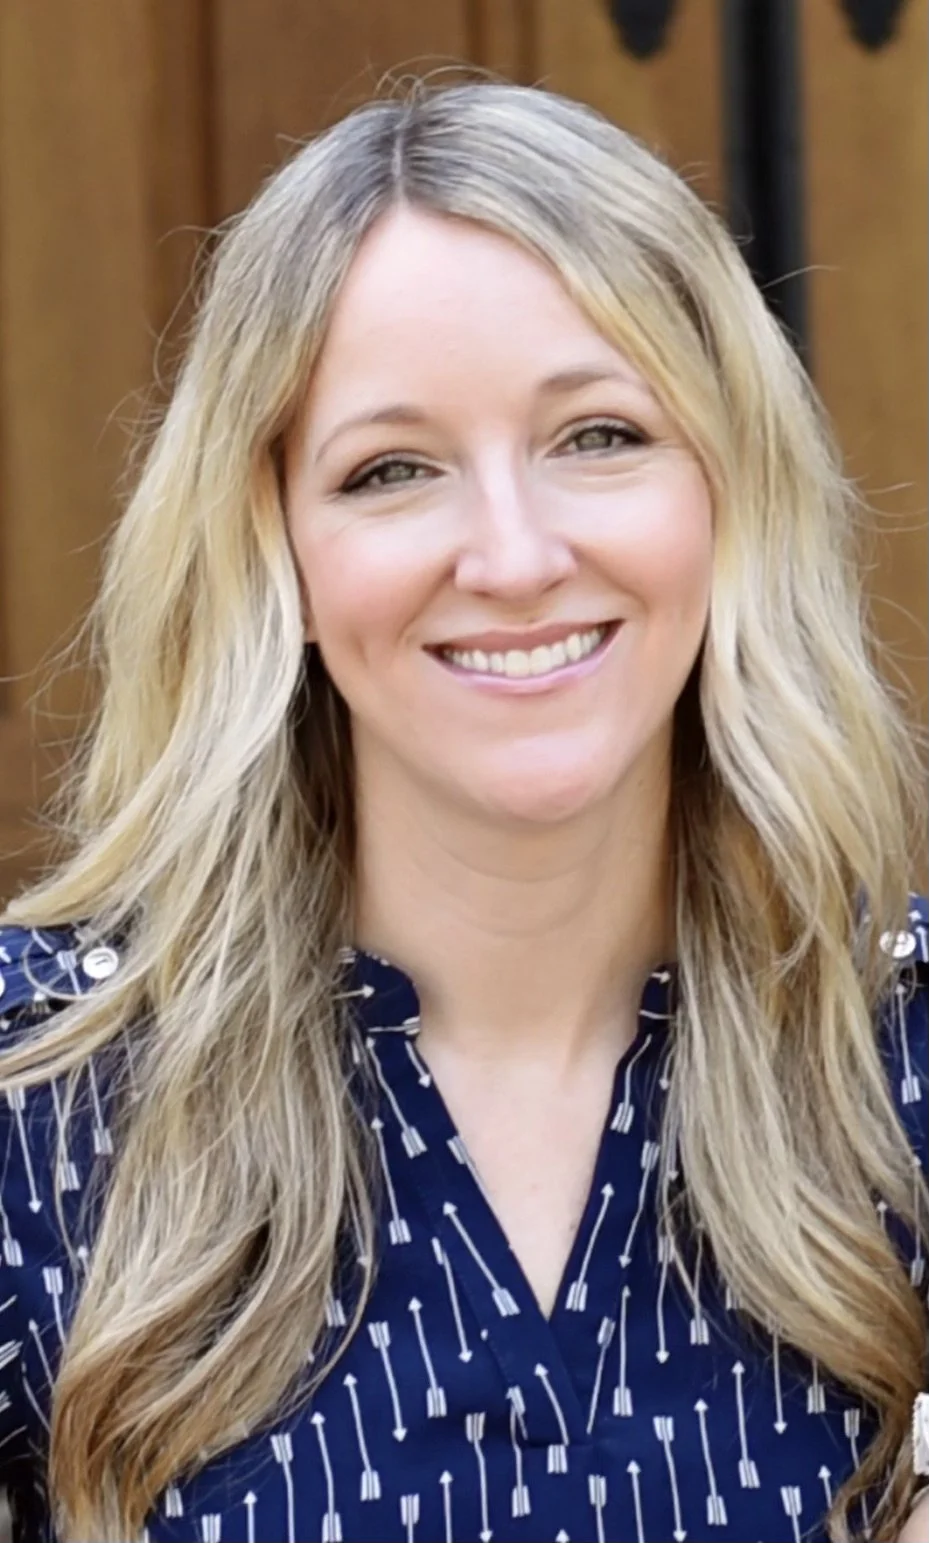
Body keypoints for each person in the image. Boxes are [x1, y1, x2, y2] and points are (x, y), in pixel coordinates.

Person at [0, 72, 926, 1543]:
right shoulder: (39, 1099)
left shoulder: (904, 1053)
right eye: (392, 469)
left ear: (728, 489)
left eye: (600, 436)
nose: (511, 553)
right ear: (276, 553)